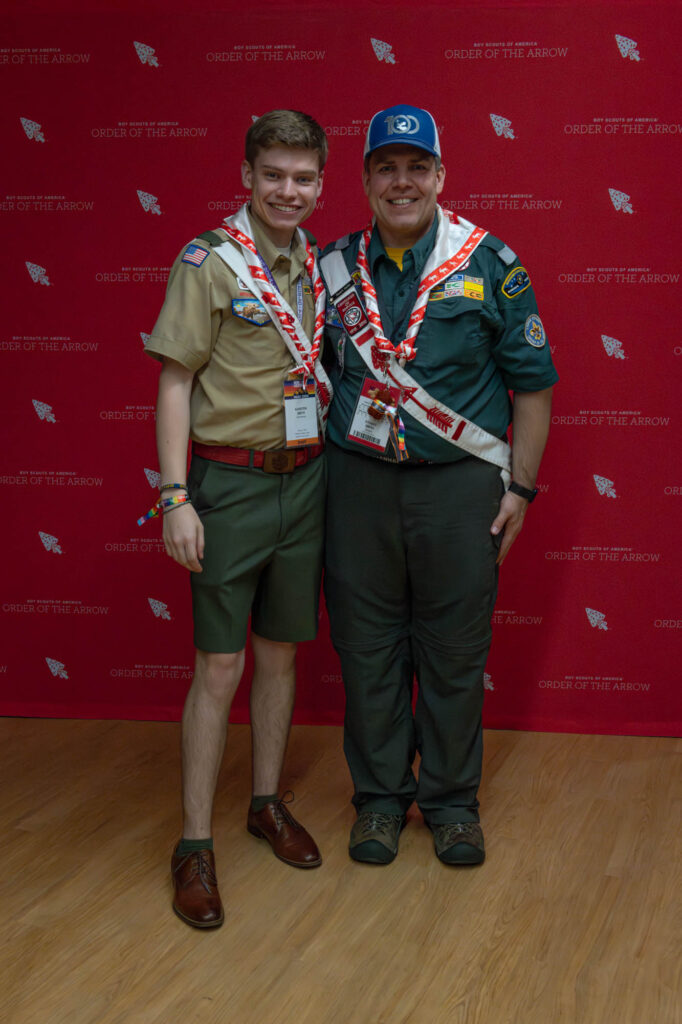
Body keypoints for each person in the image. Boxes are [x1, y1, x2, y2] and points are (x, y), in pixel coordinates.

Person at [319, 104, 558, 867]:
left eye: (416, 167)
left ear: (441, 175)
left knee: (454, 653)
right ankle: (380, 801)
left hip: (460, 488)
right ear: (365, 180)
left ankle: (452, 805)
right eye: (386, 167)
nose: (402, 182)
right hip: (357, 485)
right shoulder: (330, 268)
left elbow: (533, 385)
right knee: (367, 649)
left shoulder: (489, 264)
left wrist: (520, 489)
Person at [143, 110, 332, 928]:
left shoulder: (316, 263)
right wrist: (175, 496)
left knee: (279, 656)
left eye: (303, 178)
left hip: (306, 482)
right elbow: (175, 381)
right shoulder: (210, 261)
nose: (288, 191)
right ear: (247, 177)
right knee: (219, 668)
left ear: (320, 183)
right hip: (229, 484)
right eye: (274, 175)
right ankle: (193, 845)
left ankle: (265, 803)